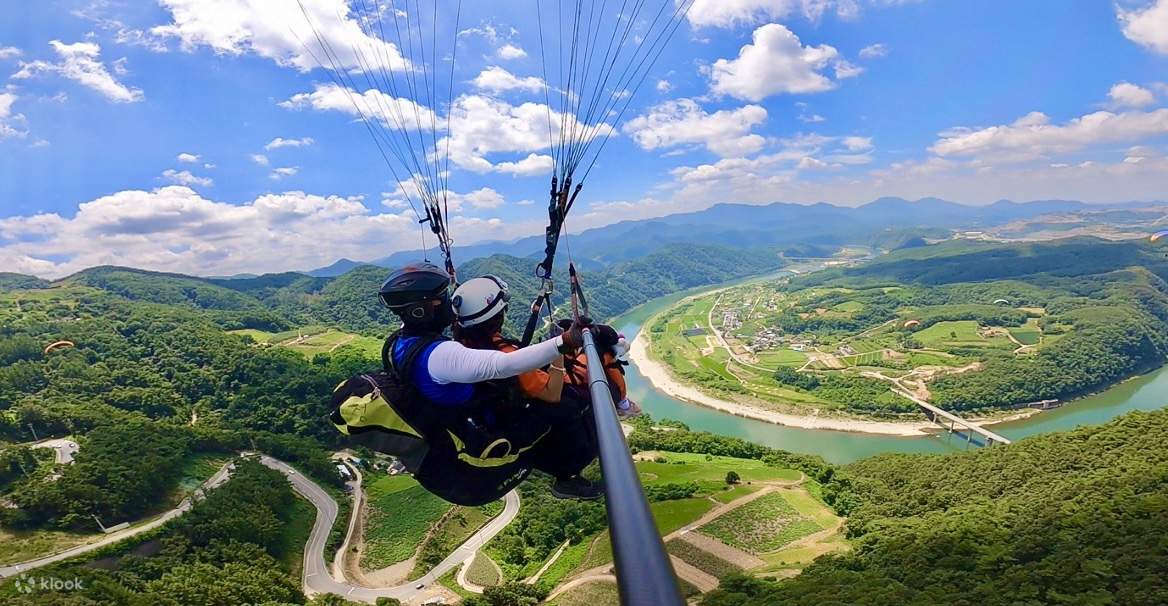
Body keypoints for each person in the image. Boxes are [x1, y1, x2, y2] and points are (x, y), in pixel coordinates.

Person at [376, 263, 602, 503]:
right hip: (476, 452)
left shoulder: (404, 342)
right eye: (441, 298)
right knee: (568, 405)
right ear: (420, 311)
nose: (448, 304)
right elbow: (504, 364)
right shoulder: (438, 355)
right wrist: (562, 342)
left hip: (464, 428)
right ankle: (567, 475)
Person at [451, 274, 641, 418]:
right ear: (498, 316)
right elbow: (552, 394)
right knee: (601, 348)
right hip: (557, 389)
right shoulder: (505, 356)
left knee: (568, 326)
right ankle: (622, 403)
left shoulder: (464, 344)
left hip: (523, 388)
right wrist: (557, 349)